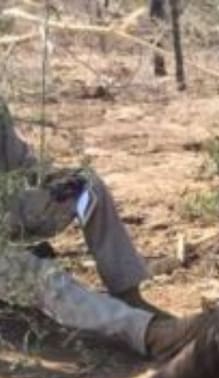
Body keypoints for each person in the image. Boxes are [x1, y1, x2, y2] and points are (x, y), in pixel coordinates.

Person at [1, 102, 189, 358]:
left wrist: (50, 180)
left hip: (8, 209)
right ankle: (144, 332)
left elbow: (22, 164)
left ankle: (128, 293)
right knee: (43, 277)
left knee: (88, 187)